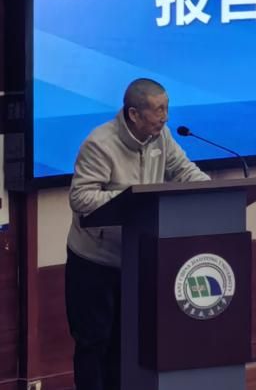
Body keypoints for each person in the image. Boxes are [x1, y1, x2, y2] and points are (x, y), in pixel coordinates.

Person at [65, 77, 210, 390]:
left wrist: (212, 192)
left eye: (167, 108)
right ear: (134, 114)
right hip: (94, 261)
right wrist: (132, 199)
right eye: (158, 110)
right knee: (94, 342)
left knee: (125, 341)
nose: (165, 117)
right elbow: (80, 198)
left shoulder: (161, 137)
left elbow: (183, 171)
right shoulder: (100, 144)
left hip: (135, 258)